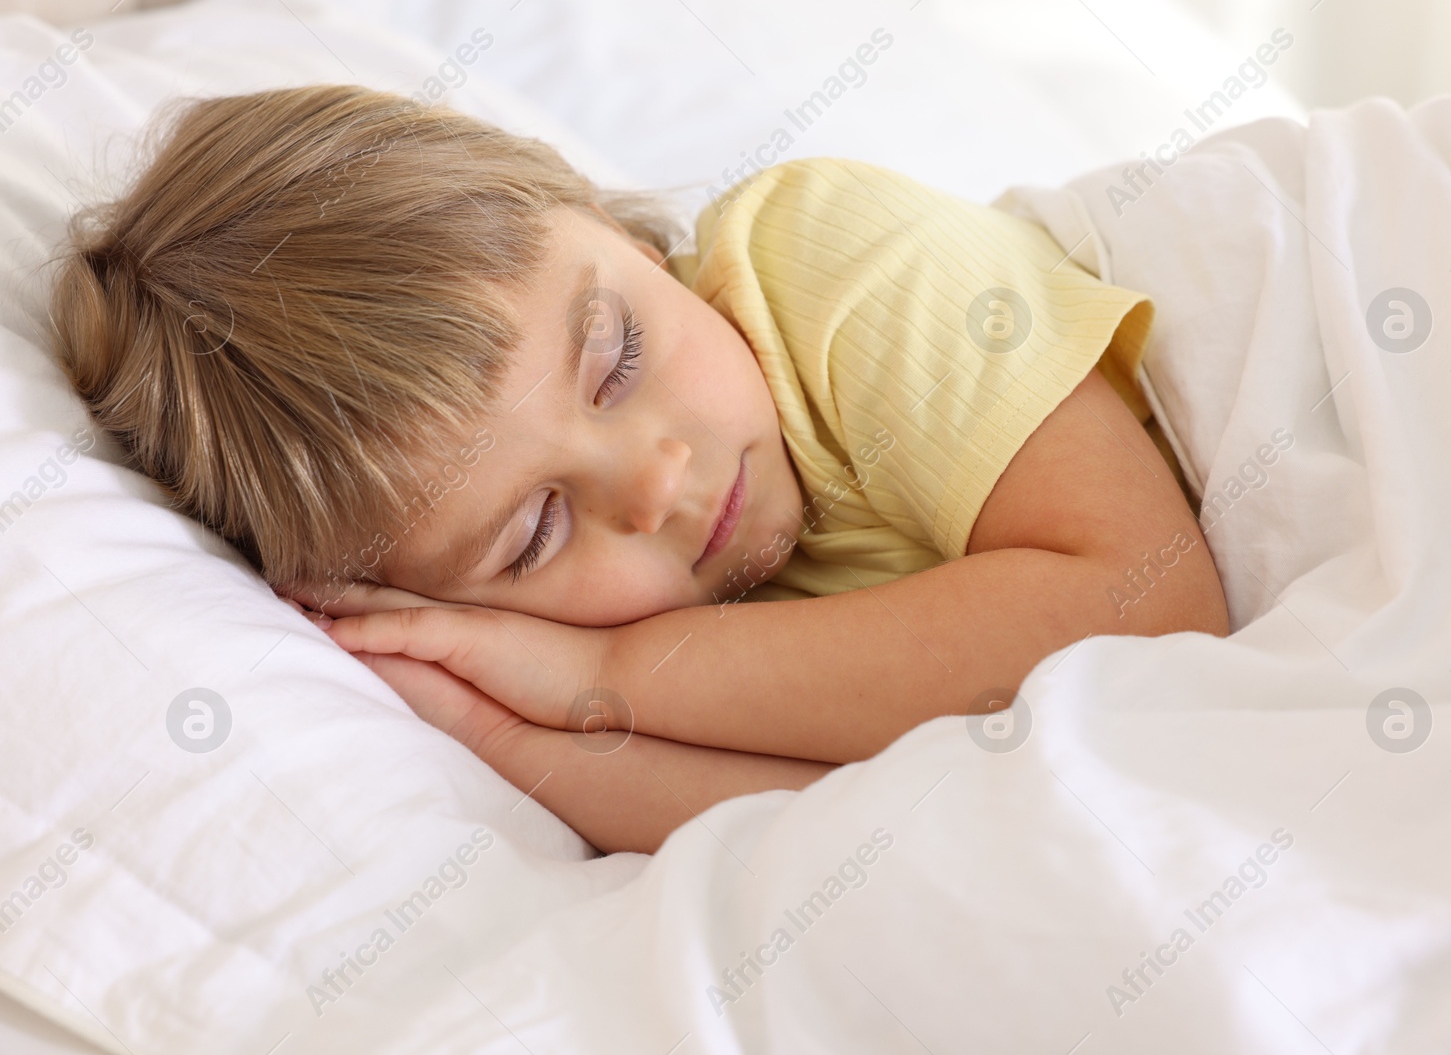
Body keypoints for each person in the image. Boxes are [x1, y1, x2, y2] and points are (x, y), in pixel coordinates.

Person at [49, 85, 1228, 854]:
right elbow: (831, 832)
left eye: (614, 358)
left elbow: (1152, 603)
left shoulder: (825, 264)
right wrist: (509, 736)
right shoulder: (695, 616)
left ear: (603, 221)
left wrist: (604, 667)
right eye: (535, 535)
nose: (653, 484)